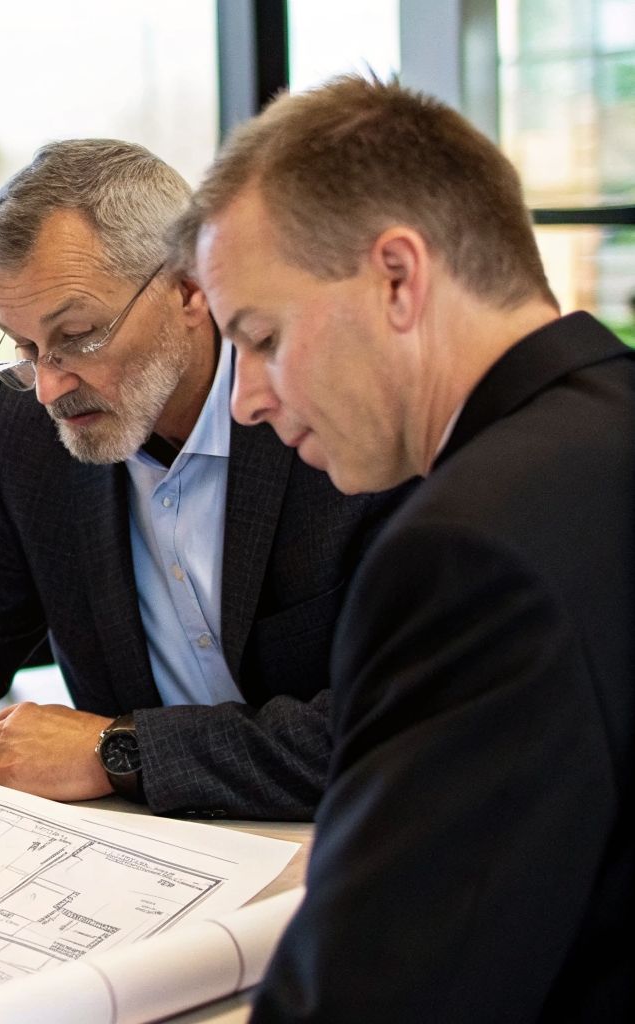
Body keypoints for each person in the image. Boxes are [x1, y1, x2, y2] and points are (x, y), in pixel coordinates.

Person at [173, 75, 635, 1019]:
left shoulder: (465, 554)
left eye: (261, 338)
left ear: (397, 276)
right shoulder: (611, 427)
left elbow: (377, 990)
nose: (247, 401)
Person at [0, 140, 407, 822]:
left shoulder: (336, 416)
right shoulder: (26, 424)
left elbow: (396, 725)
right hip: (140, 851)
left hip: (337, 845)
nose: (50, 386)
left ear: (189, 288)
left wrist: (119, 751)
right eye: (24, 348)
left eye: (79, 334)